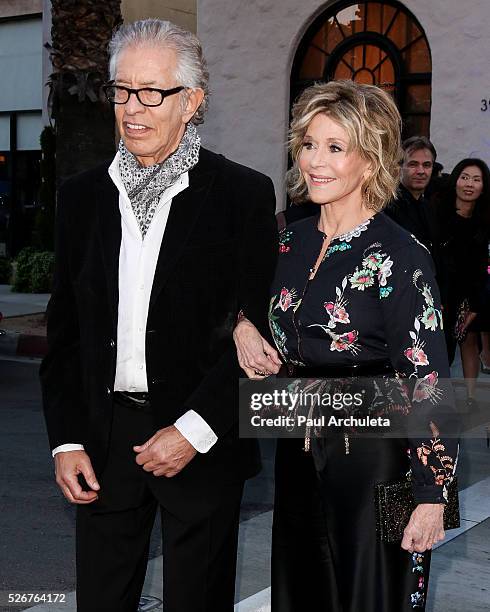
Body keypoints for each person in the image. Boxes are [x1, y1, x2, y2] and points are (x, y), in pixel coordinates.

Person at [40, 19, 277, 612]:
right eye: (122, 90)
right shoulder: (80, 196)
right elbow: (65, 329)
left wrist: (193, 431)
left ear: (192, 101)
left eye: (152, 92)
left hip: (200, 444)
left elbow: (259, 332)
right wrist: (66, 439)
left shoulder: (242, 195)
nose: (131, 108)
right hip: (103, 441)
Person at [234, 80, 458, 612]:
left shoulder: (401, 256)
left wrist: (432, 499)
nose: (315, 160)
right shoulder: (287, 241)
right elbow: (232, 297)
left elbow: (429, 383)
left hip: (380, 460)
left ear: (370, 160)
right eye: (309, 144)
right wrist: (243, 326)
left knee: (374, 594)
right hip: (297, 444)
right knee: (301, 591)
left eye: (336, 148)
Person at [435, 158, 490, 405]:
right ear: (456, 179)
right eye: (465, 177)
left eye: (476, 180)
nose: (469, 184)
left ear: (483, 186)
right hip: (441, 292)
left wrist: (476, 304)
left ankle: (469, 397)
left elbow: (481, 266)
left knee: (469, 340)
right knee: (440, 347)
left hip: (470, 293)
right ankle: (438, 397)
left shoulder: (484, 222)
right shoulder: (437, 215)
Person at [384, 136, 439, 255]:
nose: (421, 171)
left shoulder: (428, 207)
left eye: (426, 165)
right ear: (399, 167)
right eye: (413, 164)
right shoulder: (387, 206)